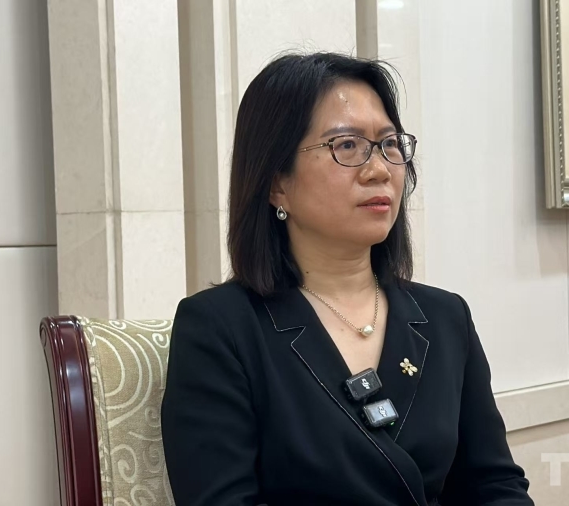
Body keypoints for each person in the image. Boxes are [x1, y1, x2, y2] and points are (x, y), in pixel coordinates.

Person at [160, 52, 534, 506]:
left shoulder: (444, 316)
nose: (380, 170)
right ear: (277, 183)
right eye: (347, 146)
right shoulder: (220, 328)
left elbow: (494, 486)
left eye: (389, 144)